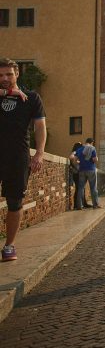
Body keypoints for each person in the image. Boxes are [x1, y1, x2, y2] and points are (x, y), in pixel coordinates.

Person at [0, 58, 46, 262]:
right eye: (0, 75)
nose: (5, 78)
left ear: (17, 74)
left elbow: (39, 127)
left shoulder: (32, 98)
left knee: (14, 203)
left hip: (18, 157)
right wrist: (8, 93)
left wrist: (39, 153)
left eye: (9, 74)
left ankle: (9, 246)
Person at [71, 138, 100, 209]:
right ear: (92, 142)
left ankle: (79, 205)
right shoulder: (92, 148)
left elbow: (75, 159)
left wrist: (80, 163)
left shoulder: (79, 149)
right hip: (91, 169)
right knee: (93, 188)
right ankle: (95, 205)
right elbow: (94, 160)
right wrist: (96, 158)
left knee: (80, 188)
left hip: (82, 170)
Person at [68, 142, 82, 210]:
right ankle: (76, 205)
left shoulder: (77, 152)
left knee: (79, 188)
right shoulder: (75, 151)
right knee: (78, 188)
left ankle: (78, 204)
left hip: (77, 172)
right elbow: (71, 157)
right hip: (76, 172)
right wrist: (78, 161)